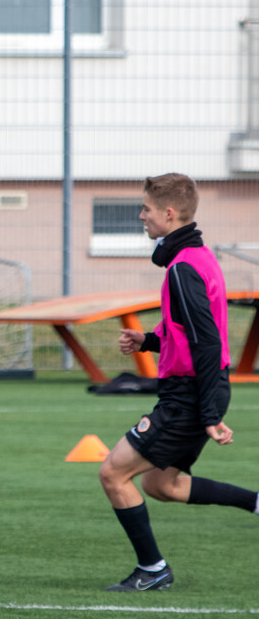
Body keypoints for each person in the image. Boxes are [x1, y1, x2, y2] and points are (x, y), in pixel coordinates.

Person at [98, 173, 259, 592]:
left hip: (188, 396)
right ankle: (256, 502)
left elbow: (207, 342)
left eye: (147, 209)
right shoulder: (194, 258)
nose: (141, 215)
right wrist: (148, 340)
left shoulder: (183, 268)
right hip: (193, 391)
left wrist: (208, 412)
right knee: (160, 484)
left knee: (113, 473)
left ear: (169, 214)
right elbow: (188, 333)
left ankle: (152, 570)